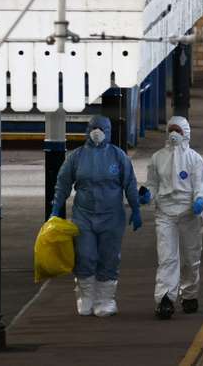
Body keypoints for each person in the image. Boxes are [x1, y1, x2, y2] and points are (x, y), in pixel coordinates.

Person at [51, 115, 142, 317]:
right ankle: (86, 297)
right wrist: (56, 208)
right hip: (83, 216)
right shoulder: (76, 157)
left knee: (109, 257)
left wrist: (136, 208)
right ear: (87, 130)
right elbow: (63, 184)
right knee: (85, 255)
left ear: (109, 132)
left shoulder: (118, 157)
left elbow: (130, 184)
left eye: (101, 128)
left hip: (112, 217)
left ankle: (106, 300)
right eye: (94, 128)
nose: (97, 132)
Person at [143, 116, 203, 319]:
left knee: (190, 257)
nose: (174, 134)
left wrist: (200, 199)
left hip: (190, 213)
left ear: (185, 133)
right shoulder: (158, 158)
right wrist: (147, 194)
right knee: (167, 257)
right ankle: (165, 299)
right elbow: (153, 184)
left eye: (178, 131)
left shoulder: (195, 159)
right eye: (171, 130)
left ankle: (189, 294)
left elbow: (201, 184)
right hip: (165, 213)